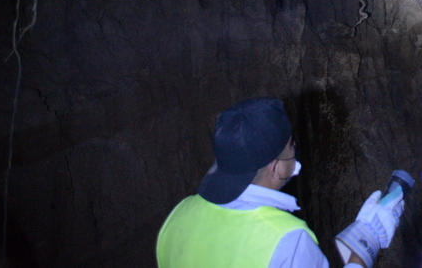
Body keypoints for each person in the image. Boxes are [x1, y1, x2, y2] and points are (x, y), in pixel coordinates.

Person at [156, 97, 404, 268]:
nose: (295, 151)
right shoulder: (286, 239)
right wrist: (368, 241)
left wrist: (356, 236)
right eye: (291, 146)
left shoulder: (178, 216)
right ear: (275, 167)